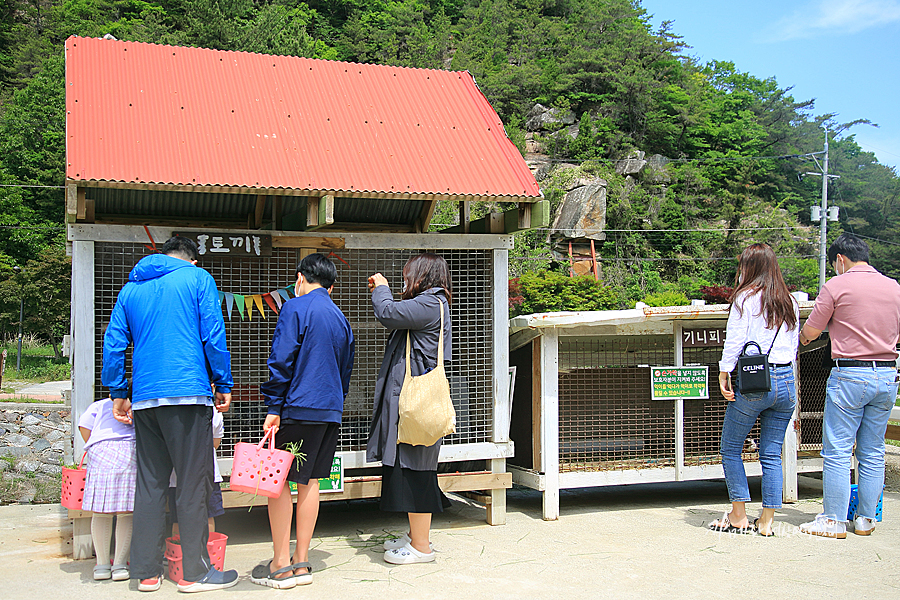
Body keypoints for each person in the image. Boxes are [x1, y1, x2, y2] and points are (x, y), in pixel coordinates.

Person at [102, 235, 237, 593]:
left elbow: (113, 341)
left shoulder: (131, 289)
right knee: (193, 483)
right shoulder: (198, 279)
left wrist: (118, 391)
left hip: (145, 399)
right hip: (188, 393)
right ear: (192, 260)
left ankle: (146, 572)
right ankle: (194, 573)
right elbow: (212, 334)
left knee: (149, 484)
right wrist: (222, 381)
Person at [252, 253, 354, 589]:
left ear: (299, 279)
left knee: (278, 482)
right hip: (328, 410)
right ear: (331, 286)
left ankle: (280, 563)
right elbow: (345, 370)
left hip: (296, 407)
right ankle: (302, 561)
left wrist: (273, 405)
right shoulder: (340, 317)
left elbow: (281, 360)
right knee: (309, 481)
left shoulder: (294, 308)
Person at [798, 233, 900, 538]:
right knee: (873, 450)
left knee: (839, 450)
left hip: (850, 376)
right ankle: (865, 519)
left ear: (840, 260)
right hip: (887, 376)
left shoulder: (836, 286)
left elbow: (812, 331)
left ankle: (833, 520)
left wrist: (804, 337)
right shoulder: (894, 287)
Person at [367, 253, 453, 565]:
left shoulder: (430, 303)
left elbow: (387, 312)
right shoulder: (433, 303)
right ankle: (415, 536)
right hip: (416, 403)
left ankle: (421, 548)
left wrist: (382, 287)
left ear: (422, 276)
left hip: (418, 403)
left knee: (417, 470)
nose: (405, 282)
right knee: (411, 467)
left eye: (408, 276)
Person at [711, 243, 799, 537]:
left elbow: (735, 340)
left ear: (749, 267)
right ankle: (767, 521)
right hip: (786, 381)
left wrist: (724, 371)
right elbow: (794, 346)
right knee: (771, 453)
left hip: (755, 382)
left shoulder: (745, 299)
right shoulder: (790, 301)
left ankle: (738, 514)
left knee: (731, 448)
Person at [78, 395, 136, 582]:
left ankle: (102, 565)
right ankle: (120, 565)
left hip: (101, 451)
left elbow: (83, 426)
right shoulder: (136, 405)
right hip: (130, 450)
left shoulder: (99, 404)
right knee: (126, 511)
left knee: (101, 511)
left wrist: (96, 444)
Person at [169, 408, 225, 536]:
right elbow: (215, 443)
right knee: (208, 514)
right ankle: (208, 549)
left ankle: (178, 552)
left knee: (178, 517)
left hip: (177, 475)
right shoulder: (214, 410)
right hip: (207, 472)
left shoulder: (171, 409)